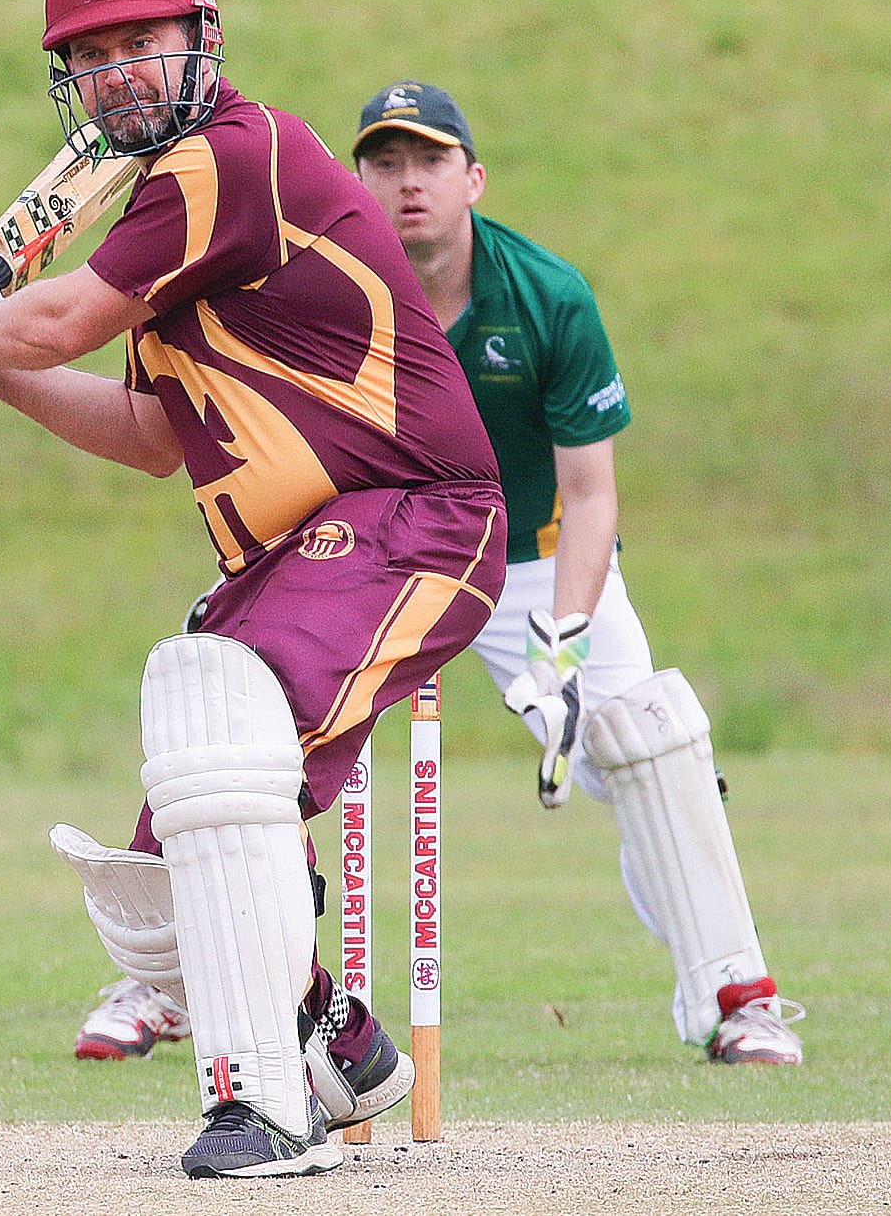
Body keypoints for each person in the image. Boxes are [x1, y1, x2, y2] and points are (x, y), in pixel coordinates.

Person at [0, 0, 506, 1178]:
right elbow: (153, 434)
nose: (116, 77)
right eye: (88, 59)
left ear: (200, 40)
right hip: (301, 553)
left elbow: (62, 315)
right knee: (160, 891)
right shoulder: (173, 222)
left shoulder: (234, 157)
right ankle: (335, 1041)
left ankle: (262, 1104)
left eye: (136, 45)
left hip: (413, 511)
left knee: (217, 711)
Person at [349, 80, 805, 1066]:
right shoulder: (338, 288)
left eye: (427, 161)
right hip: (385, 548)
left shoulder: (547, 297)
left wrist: (559, 640)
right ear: (357, 180)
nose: (405, 184)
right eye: (382, 163)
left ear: (472, 178)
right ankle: (174, 985)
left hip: (529, 563)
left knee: (647, 743)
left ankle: (736, 998)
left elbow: (590, 495)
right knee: (231, 700)